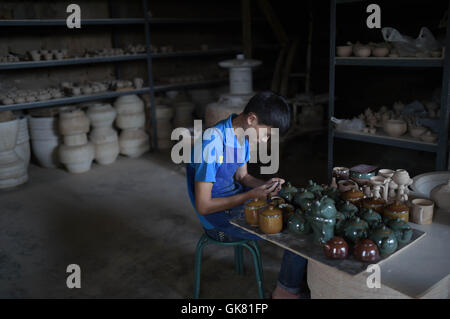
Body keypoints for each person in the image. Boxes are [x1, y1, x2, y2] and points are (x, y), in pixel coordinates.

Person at [186, 91, 308, 299]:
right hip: (217, 219)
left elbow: (243, 177)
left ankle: (297, 284)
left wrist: (267, 186)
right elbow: (204, 206)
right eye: (267, 134)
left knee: (299, 209)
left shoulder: (239, 133)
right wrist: (250, 195)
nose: (266, 140)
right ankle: (284, 293)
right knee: (297, 230)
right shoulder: (211, 143)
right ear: (252, 119)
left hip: (236, 199)